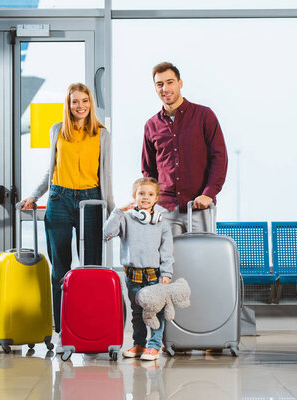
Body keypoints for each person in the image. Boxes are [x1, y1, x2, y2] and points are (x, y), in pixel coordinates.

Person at [20, 83, 114, 350]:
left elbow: (105, 174)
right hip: (59, 199)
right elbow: (50, 170)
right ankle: (62, 329)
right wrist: (35, 196)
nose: (80, 106)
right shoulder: (57, 131)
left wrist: (113, 209)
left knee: (92, 267)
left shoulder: (102, 134)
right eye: (75, 101)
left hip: (92, 200)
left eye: (84, 101)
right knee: (60, 267)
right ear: (68, 104)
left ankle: (91, 325)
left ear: (90, 104)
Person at [142, 62, 228, 235]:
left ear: (180, 83)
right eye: (160, 84)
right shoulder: (151, 125)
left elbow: (219, 158)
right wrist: (152, 200)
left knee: (201, 259)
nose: (165, 88)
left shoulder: (204, 116)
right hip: (165, 210)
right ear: (155, 88)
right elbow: (148, 170)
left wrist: (208, 194)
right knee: (167, 261)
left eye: (170, 82)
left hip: (199, 206)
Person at [103, 177, 174, 361]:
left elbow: (167, 251)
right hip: (132, 276)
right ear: (134, 196)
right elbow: (107, 233)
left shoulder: (162, 223)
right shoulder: (126, 218)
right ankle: (139, 344)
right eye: (141, 193)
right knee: (137, 313)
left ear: (156, 198)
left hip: (154, 276)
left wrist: (166, 273)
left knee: (156, 311)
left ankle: (154, 346)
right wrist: (119, 211)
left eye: (150, 194)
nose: (145, 197)